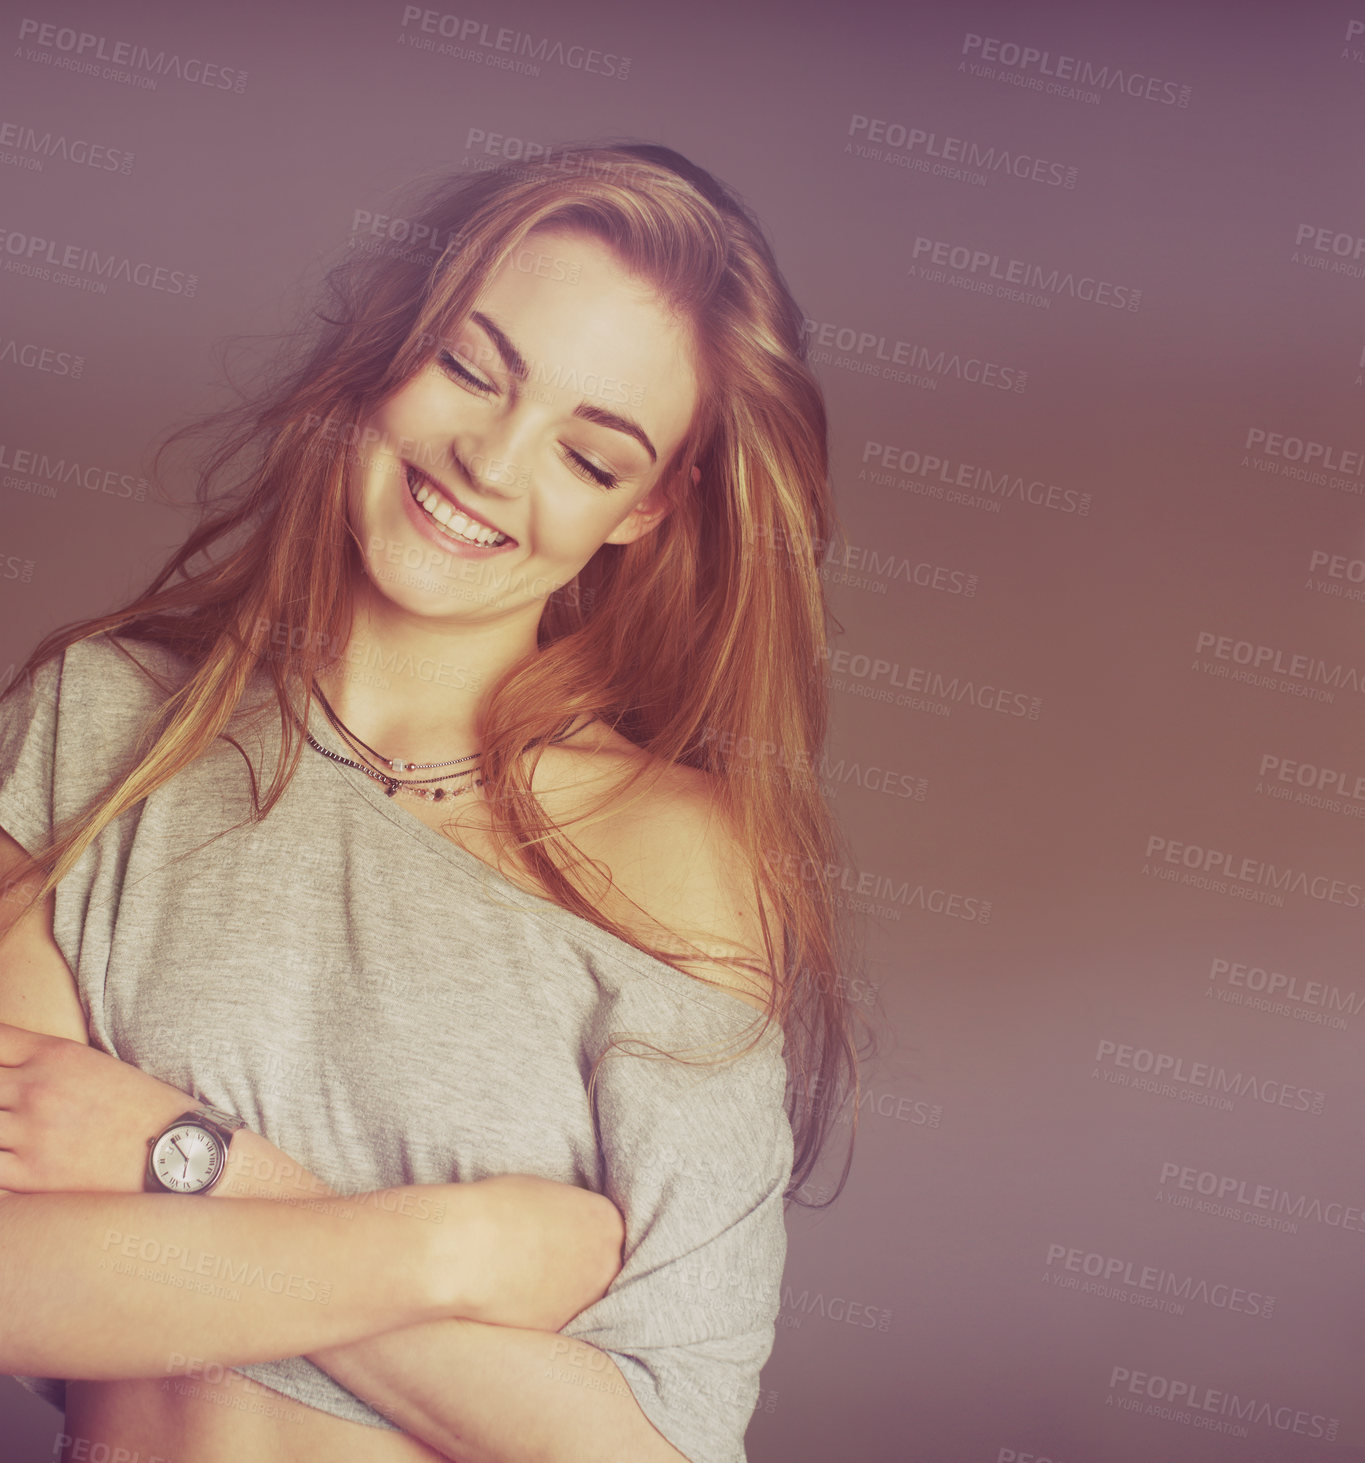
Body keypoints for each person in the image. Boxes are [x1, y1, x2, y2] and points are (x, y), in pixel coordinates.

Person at [0, 141, 868, 1463]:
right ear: (390, 339)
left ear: (649, 507)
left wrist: (201, 1164)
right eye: (472, 369)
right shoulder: (100, 723)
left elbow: (662, 1449)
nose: (490, 463)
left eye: (590, 453)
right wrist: (450, 1245)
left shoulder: (683, 860)